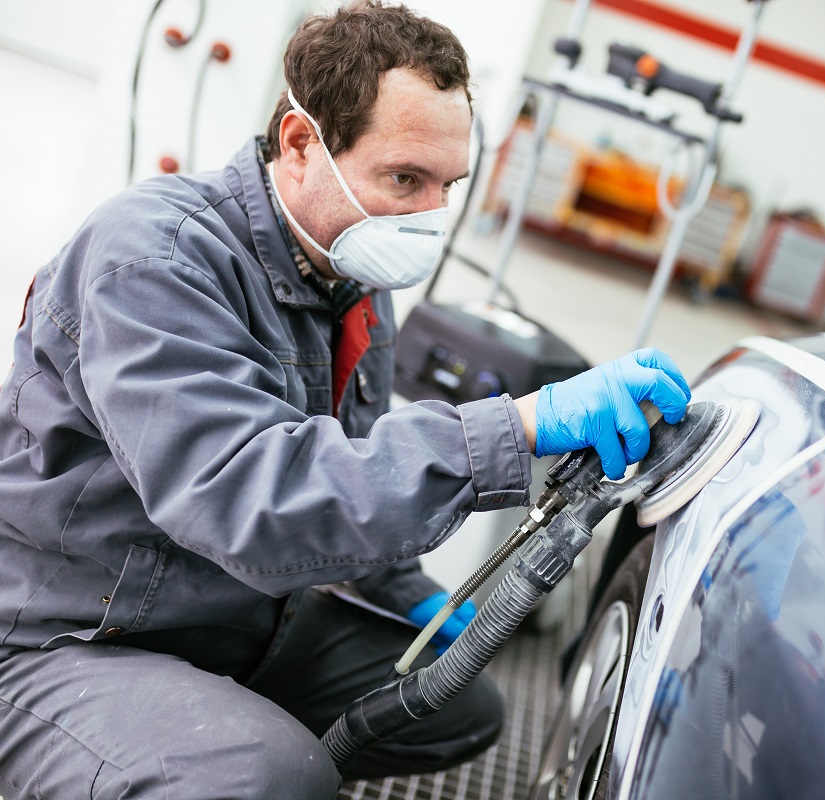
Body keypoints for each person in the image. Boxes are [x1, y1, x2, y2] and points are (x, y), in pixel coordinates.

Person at [0, 2, 691, 797]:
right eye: (405, 179)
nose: (431, 218)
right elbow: (248, 494)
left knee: (457, 701)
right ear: (301, 145)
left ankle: (176, 734)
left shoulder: (350, 273)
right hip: (69, 628)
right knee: (272, 775)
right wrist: (520, 426)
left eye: (448, 186)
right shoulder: (153, 257)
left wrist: (418, 596)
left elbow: (348, 464)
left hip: (227, 608)